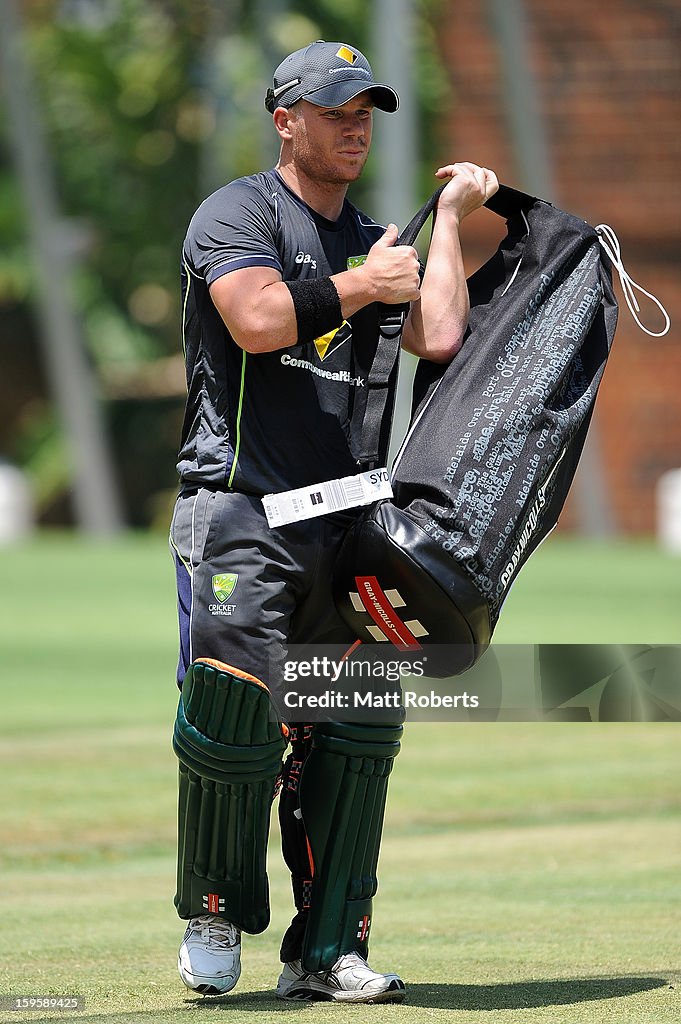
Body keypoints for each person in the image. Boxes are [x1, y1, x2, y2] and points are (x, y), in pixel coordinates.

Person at [169, 38, 498, 1004]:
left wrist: (442, 227)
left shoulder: (367, 233)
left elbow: (437, 333)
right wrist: (362, 285)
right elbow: (259, 320)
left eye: (368, 112)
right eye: (337, 108)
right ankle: (217, 912)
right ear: (287, 119)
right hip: (238, 512)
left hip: (346, 523)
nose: (356, 126)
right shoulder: (236, 213)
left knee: (357, 728)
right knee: (238, 709)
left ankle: (327, 952)